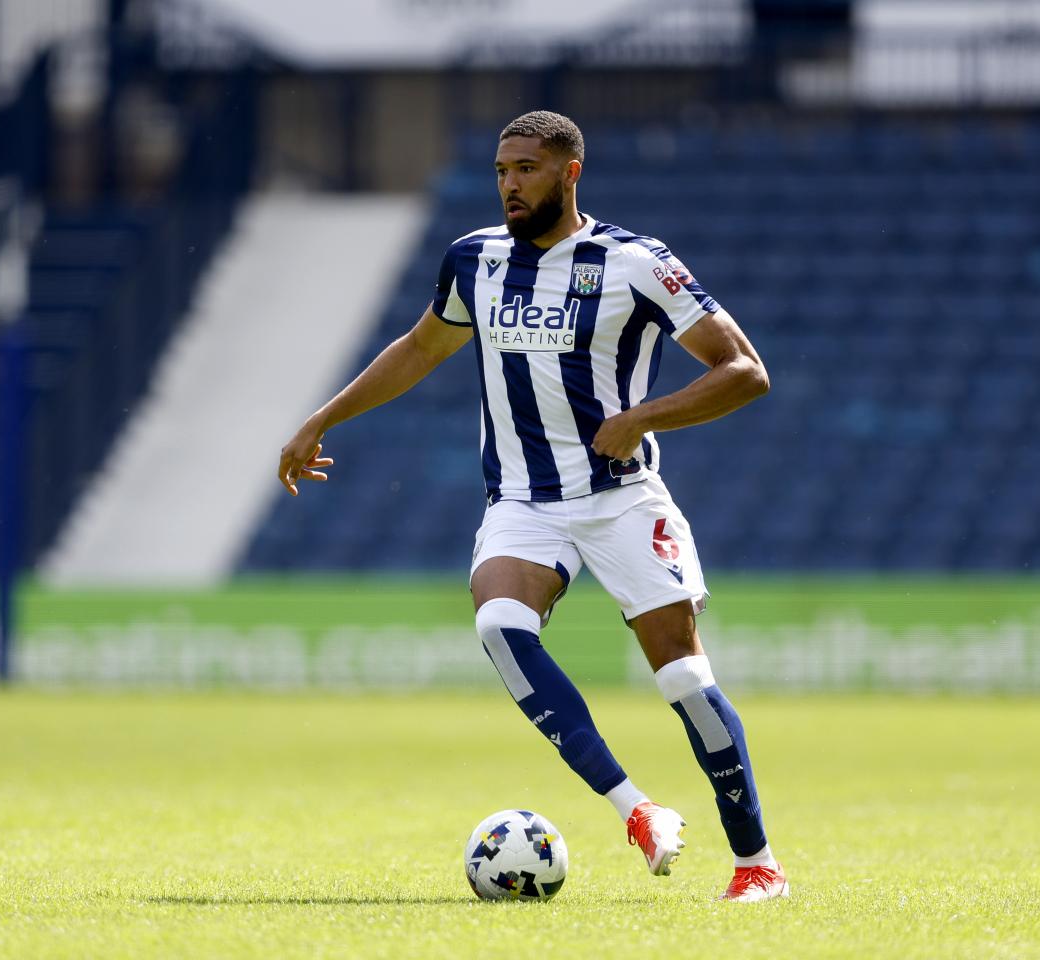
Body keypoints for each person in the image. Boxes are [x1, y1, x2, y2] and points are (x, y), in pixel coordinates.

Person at [278, 110, 786, 903]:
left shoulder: (634, 262)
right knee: (499, 626)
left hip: (621, 498)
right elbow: (421, 348)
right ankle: (638, 810)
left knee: (685, 679)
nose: (510, 184)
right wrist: (323, 417)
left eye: (526, 169)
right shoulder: (474, 260)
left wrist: (641, 419)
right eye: (501, 171)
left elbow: (745, 371)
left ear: (569, 172)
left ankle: (758, 865)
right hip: (523, 501)